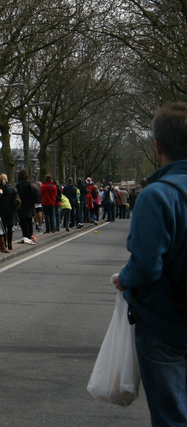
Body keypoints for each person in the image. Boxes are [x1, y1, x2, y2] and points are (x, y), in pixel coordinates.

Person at [112, 101, 187, 426]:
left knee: (171, 416)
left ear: (157, 146)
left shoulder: (157, 195)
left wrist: (123, 279)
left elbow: (146, 267)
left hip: (166, 323)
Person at [15, 169, 36, 244]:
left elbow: (19, 196)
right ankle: (30, 236)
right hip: (30, 205)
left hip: (23, 206)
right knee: (29, 221)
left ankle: (25, 237)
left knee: (24, 222)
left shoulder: (20, 185)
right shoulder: (29, 183)